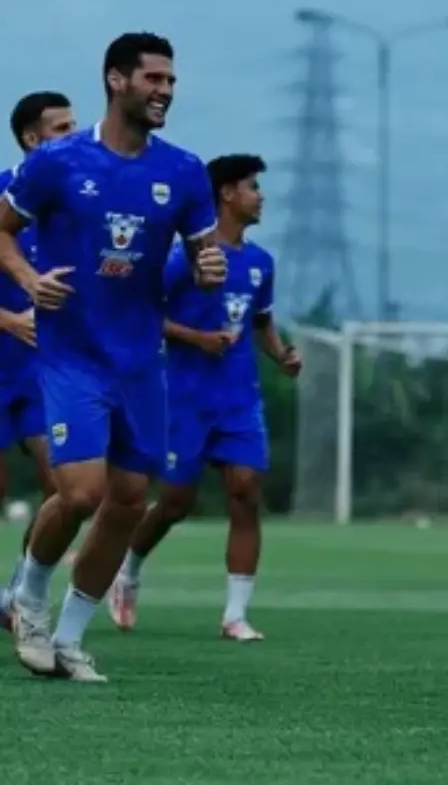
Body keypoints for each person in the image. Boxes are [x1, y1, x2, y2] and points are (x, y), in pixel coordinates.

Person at [0, 33, 226, 683]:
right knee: (79, 492)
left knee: (129, 500)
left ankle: (69, 639)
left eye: (171, 81)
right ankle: (29, 602)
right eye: (153, 78)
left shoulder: (183, 171)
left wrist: (209, 269)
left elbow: (204, 256)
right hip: (72, 354)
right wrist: (25, 279)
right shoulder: (58, 162)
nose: (165, 91)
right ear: (116, 80)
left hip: (139, 361)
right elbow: (2, 232)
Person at [109, 154, 300, 640]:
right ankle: (128, 567)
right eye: (253, 187)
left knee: (246, 492)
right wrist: (195, 338)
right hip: (184, 397)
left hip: (239, 400)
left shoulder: (260, 263)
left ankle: (235, 615)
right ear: (228, 195)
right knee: (175, 501)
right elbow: (146, 315)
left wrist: (281, 356)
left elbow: (260, 323)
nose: (261, 196)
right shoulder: (182, 259)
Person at [0, 92, 77, 630]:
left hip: (42, 368)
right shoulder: (4, 193)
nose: (74, 137)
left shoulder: (77, 203)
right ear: (32, 138)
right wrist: (9, 320)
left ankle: (17, 594)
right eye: (61, 128)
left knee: (66, 486)